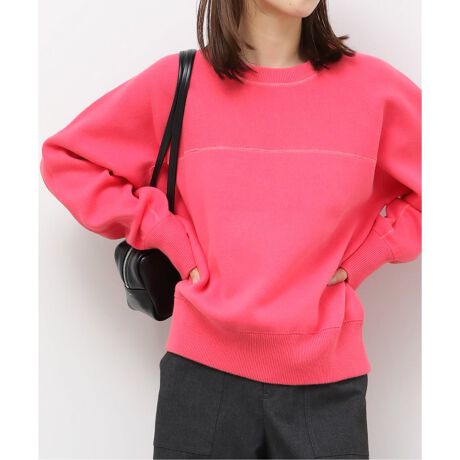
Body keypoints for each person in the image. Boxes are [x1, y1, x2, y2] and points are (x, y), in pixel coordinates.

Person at [40, 0, 421, 458]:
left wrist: (373, 251)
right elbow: (67, 159)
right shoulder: (179, 83)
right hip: (202, 384)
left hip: (326, 389)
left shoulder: (374, 91)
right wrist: (162, 231)